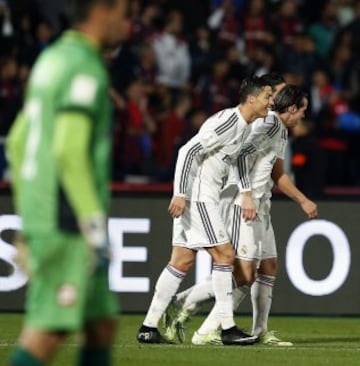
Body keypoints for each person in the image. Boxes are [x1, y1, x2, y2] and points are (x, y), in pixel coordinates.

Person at [5, 1, 128, 365]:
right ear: (102, 12)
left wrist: (29, 218)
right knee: (49, 331)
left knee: (101, 323)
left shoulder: (52, 59)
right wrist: (94, 227)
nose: (127, 24)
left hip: (50, 213)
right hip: (68, 220)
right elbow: (69, 151)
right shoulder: (83, 68)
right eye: (124, 14)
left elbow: (16, 143)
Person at [164, 82, 317, 346]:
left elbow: (276, 173)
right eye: (302, 110)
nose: (304, 116)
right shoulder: (269, 124)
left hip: (261, 202)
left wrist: (300, 199)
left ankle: (259, 330)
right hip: (243, 203)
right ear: (292, 108)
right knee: (243, 273)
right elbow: (242, 155)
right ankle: (191, 313)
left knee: (266, 267)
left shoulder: (277, 129)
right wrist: (246, 194)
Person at [136, 76, 273, 346]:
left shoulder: (245, 126)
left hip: (200, 195)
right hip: (199, 196)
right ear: (252, 99)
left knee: (181, 261)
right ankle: (227, 328)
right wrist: (181, 193)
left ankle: (148, 327)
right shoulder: (231, 122)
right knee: (225, 255)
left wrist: (245, 191)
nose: (271, 102)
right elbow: (187, 151)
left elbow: (239, 161)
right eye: (268, 96)